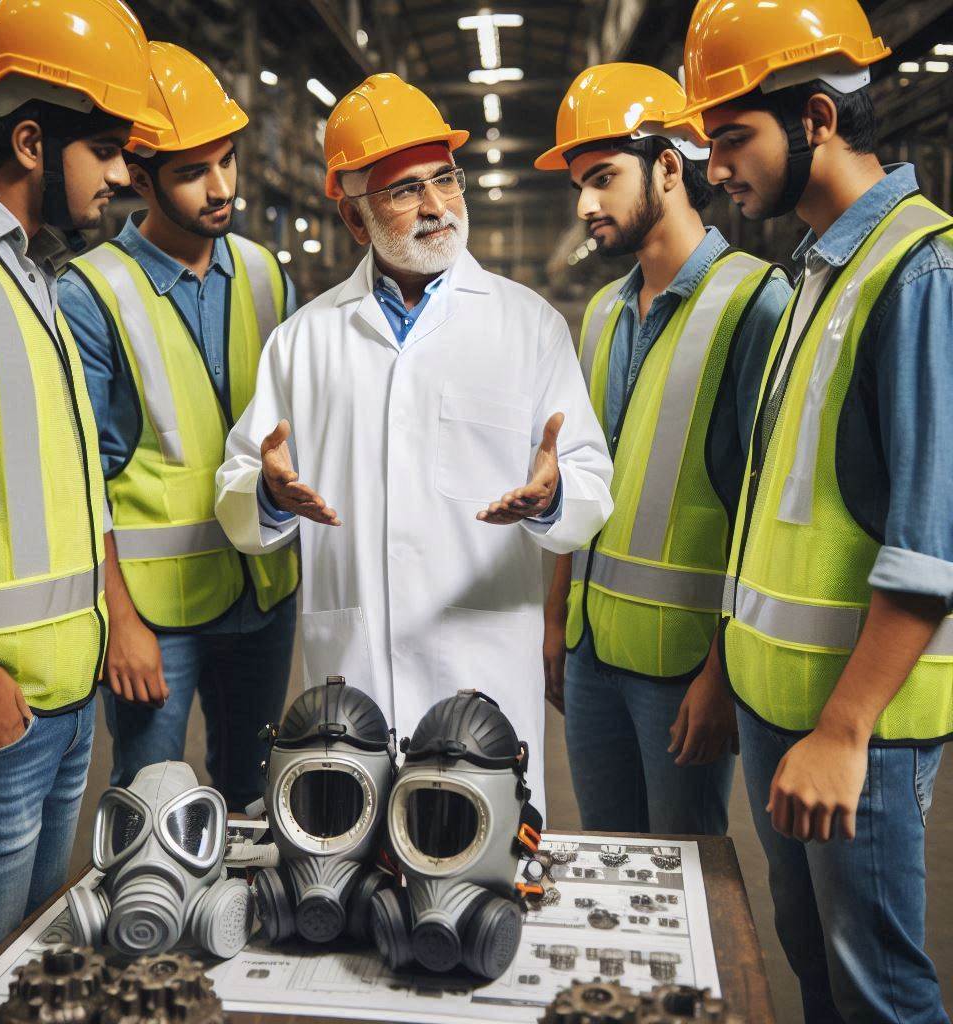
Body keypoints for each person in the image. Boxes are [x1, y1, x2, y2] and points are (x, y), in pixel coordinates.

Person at [214, 73, 614, 812]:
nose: (436, 206)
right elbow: (240, 500)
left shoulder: (527, 327)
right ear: (356, 218)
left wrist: (555, 495)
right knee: (345, 884)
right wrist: (267, 493)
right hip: (350, 685)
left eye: (445, 180)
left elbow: (590, 480)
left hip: (483, 676)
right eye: (405, 191)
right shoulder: (303, 344)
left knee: (482, 888)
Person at [672, 0, 953, 1019]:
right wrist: (727, 667)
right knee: (813, 963)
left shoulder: (919, 271)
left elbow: (933, 539)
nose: (715, 168)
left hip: (853, 728)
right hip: (773, 706)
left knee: (878, 986)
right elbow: (771, 508)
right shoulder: (812, 275)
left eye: (732, 137)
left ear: (819, 122)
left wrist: (844, 729)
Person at [0, 0, 168, 1003]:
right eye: (107, 149)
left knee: (26, 981)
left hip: (58, 717)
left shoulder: (33, 269)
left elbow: (71, 481)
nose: (124, 176)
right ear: (31, 139)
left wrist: (119, 609)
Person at [536, 63, 791, 835]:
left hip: (683, 669)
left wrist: (722, 675)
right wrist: (556, 621)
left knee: (691, 879)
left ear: (670, 168)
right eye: (578, 183)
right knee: (612, 868)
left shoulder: (756, 303)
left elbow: (765, 514)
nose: (585, 204)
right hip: (592, 658)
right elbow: (579, 478)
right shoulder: (604, 316)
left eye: (603, 178)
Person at [58, 43, 299, 812]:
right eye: (194, 171)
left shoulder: (265, 274)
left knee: (255, 801)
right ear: (138, 172)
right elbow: (79, 482)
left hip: (262, 595)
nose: (221, 187)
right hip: (156, 618)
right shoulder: (90, 293)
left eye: (226, 161)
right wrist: (117, 621)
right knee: (150, 808)